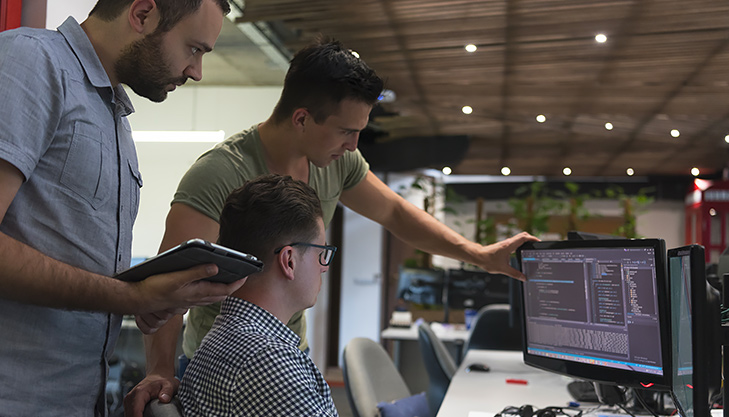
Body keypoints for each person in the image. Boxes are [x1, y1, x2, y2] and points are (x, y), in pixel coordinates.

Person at [125, 38, 538, 416]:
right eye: (346, 131)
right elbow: (169, 281)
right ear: (302, 119)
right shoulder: (218, 174)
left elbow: (394, 213)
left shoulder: (336, 161)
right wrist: (159, 369)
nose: (354, 145)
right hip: (233, 363)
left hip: (287, 353)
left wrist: (479, 255)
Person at [0, 0, 246, 415]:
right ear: (143, 13)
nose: (196, 71)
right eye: (194, 48)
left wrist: (148, 297)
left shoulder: (113, 116)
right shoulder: (30, 60)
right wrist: (128, 296)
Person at [178, 175, 339, 416]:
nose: (324, 267)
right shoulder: (267, 360)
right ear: (289, 261)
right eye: (321, 253)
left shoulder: (225, 336)